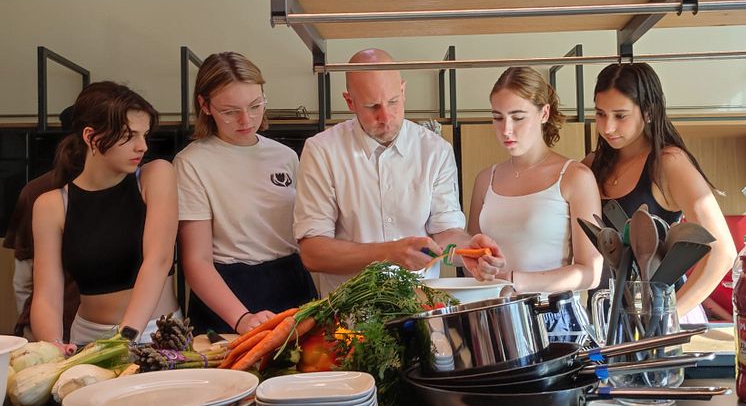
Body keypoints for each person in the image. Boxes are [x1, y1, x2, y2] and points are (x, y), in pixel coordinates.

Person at [293, 48, 501, 297]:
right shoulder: (322, 151)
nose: (385, 117)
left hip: (420, 308)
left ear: (403, 91)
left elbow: (445, 232)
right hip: (349, 315)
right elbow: (313, 253)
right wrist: (388, 253)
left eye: (393, 101)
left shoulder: (435, 151)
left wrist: (468, 249)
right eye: (372, 106)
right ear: (350, 102)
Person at [174, 52, 317, 336]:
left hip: (293, 283)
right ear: (205, 105)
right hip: (229, 294)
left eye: (255, 105)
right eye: (230, 111)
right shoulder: (191, 163)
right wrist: (241, 318)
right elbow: (196, 261)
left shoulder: (285, 156)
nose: (246, 119)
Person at [31, 81, 180, 352]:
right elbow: (46, 296)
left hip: (155, 333)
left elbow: (158, 260)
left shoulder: (156, 175)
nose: (142, 146)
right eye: (129, 136)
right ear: (91, 137)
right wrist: (52, 346)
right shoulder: (51, 205)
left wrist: (125, 337)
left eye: (144, 134)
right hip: (88, 336)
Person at [583, 63, 737, 320]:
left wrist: (669, 316)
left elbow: (723, 252)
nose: (607, 127)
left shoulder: (668, 163)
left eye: (620, 116)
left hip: (662, 320)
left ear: (649, 112)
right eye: (600, 114)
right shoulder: (590, 166)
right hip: (605, 321)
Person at [467, 67, 602, 341]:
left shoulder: (575, 177)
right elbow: (473, 255)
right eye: (497, 118)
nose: (506, 130)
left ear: (544, 113)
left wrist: (515, 279)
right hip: (492, 318)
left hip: (554, 320)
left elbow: (591, 272)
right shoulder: (485, 180)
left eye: (518, 117)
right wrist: (479, 264)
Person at [5, 107, 81, 342]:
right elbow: (25, 275)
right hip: (57, 325)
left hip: (105, 326)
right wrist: (39, 334)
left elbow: (22, 278)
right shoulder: (39, 192)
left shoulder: (136, 186)